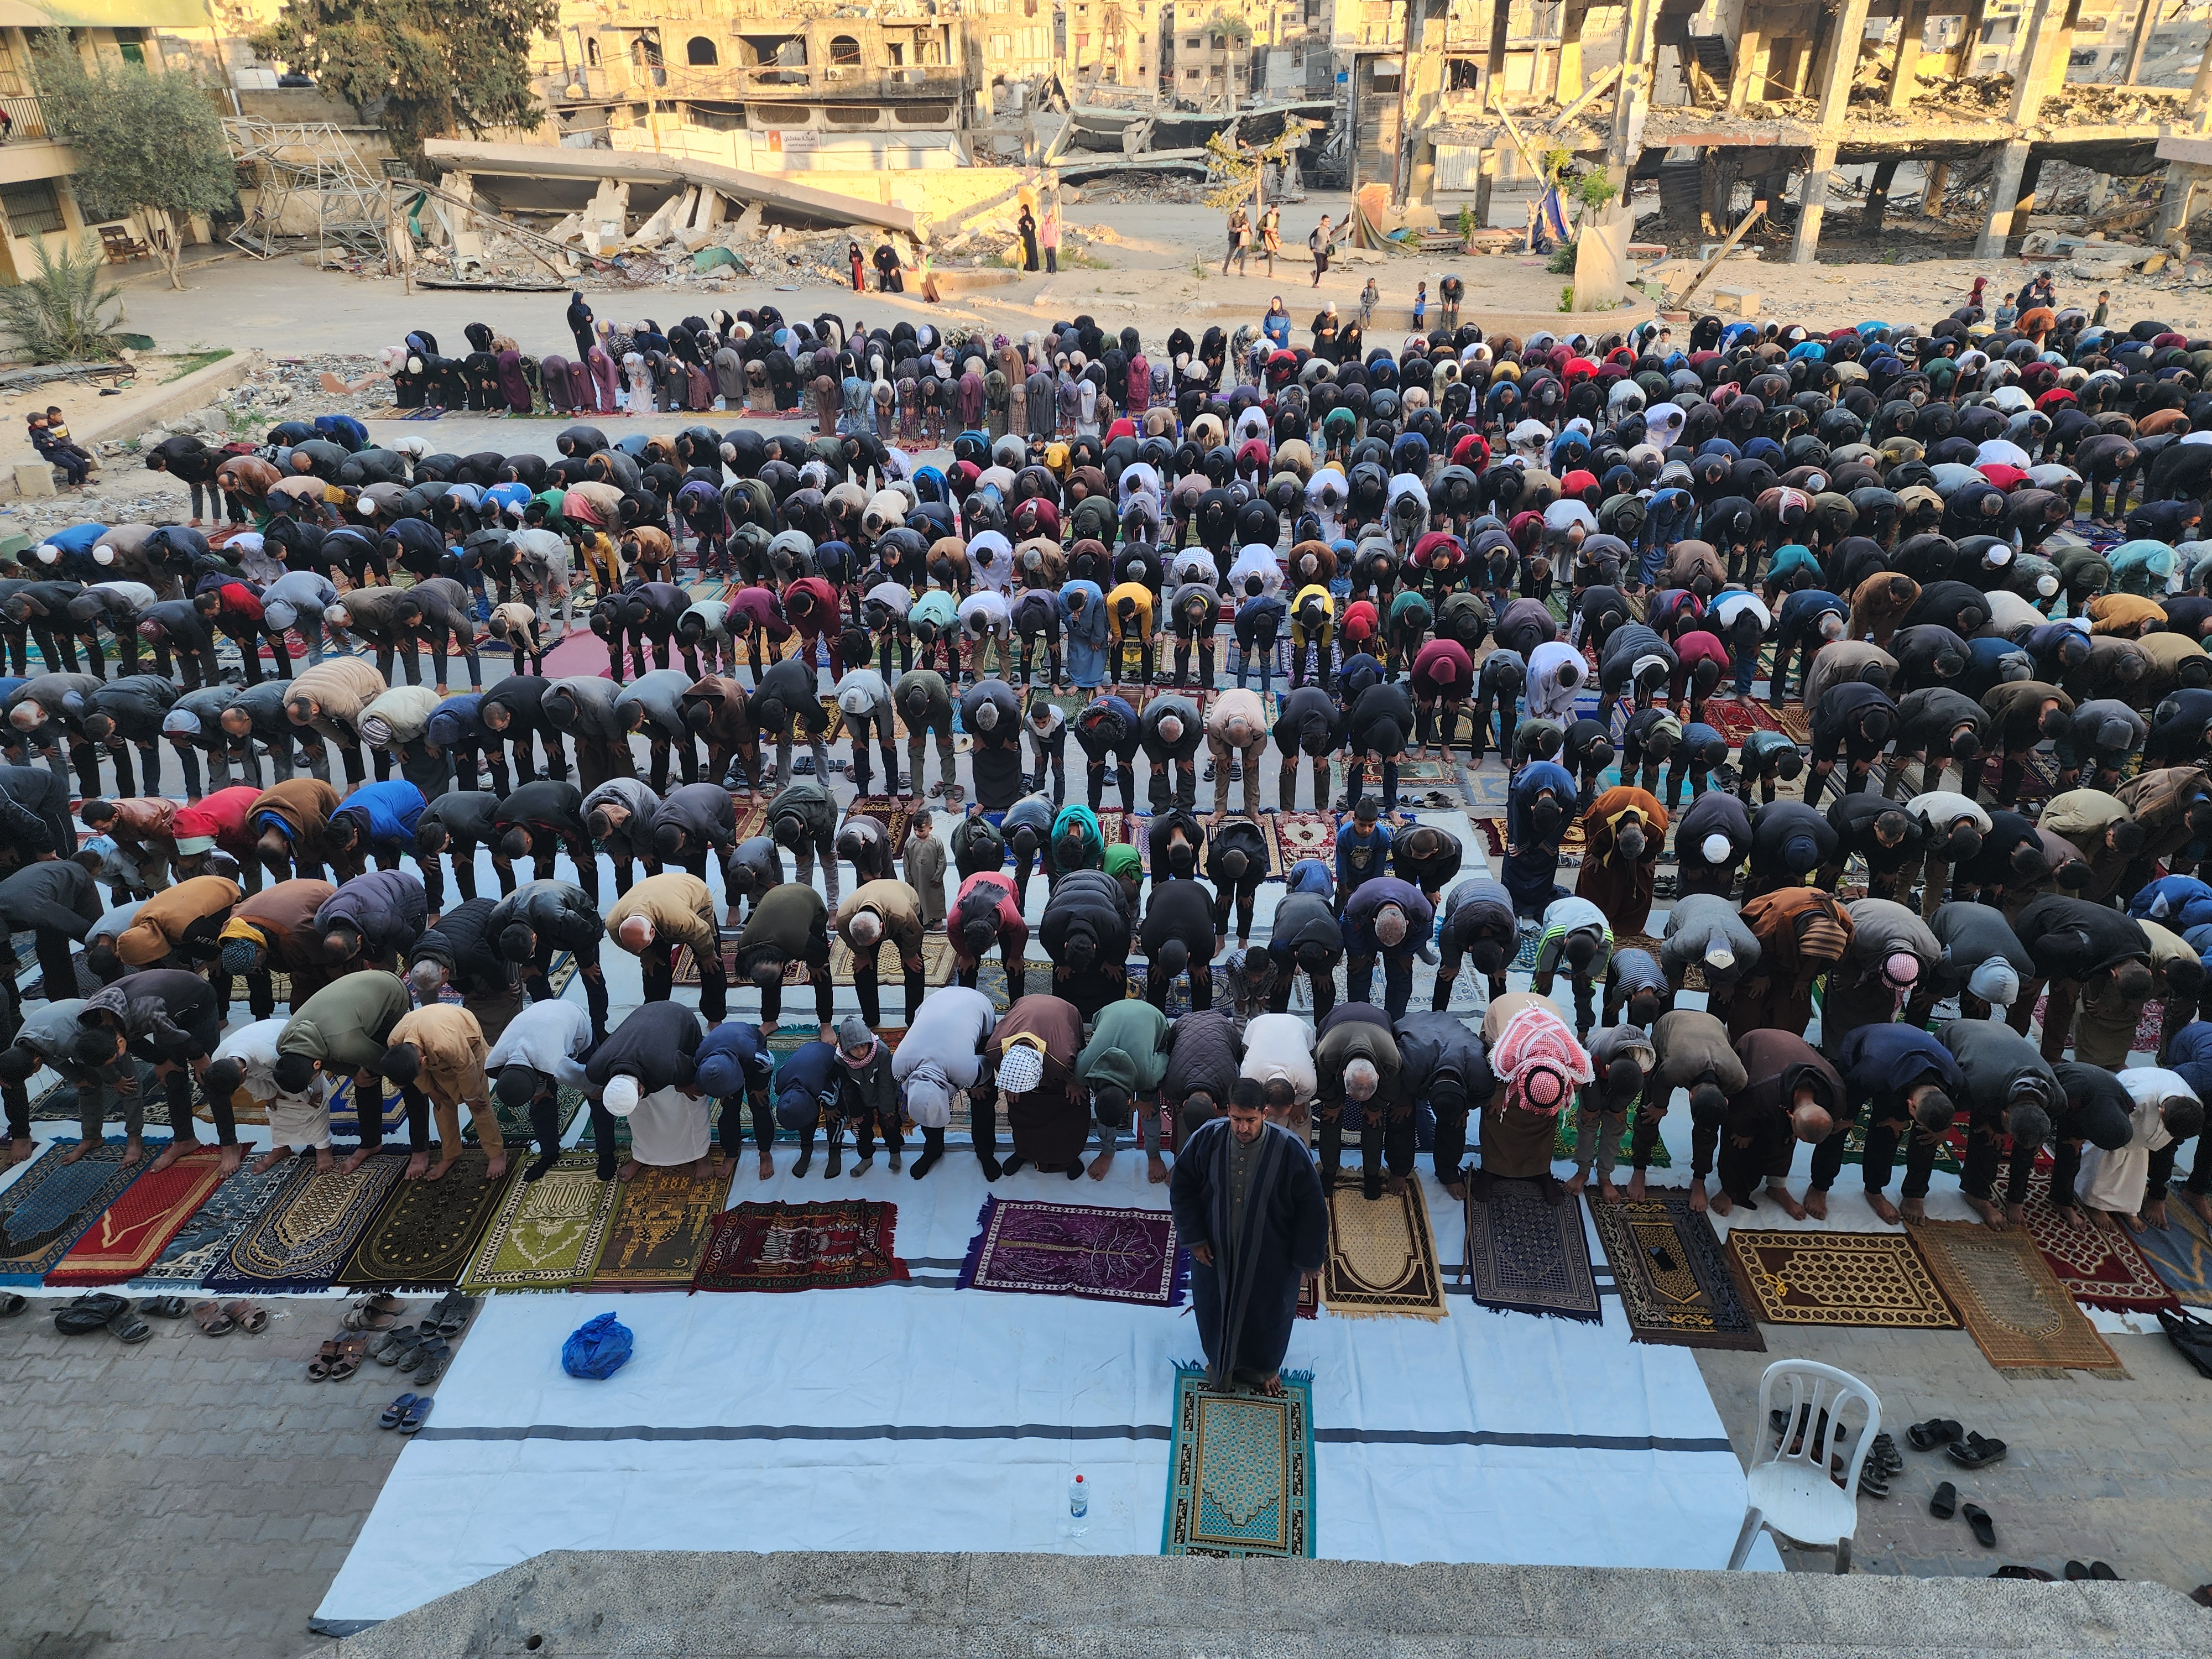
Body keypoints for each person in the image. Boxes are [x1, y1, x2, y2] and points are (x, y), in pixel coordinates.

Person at [1168, 1078, 1329, 1395]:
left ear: (1265, 1113)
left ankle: (1264, 1369)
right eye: (1236, 1119)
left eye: (1250, 1120)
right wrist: (1196, 1238)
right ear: (1227, 1111)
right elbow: (1183, 1187)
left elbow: (1311, 1208)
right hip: (1216, 1251)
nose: (1242, 1128)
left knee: (1269, 1313)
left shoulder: (1290, 1149)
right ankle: (1220, 1360)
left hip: (1272, 1255)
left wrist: (1308, 1260)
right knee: (1215, 1306)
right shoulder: (1207, 1139)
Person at [1473, 992, 1592, 1203]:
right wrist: (1500, 1094)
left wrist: (1554, 1102)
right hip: (1504, 1012)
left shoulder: (1576, 1062)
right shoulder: (1504, 1055)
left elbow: (1576, 1087)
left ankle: (1539, 1169)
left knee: (1546, 1116)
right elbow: (1495, 1073)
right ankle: (1490, 1168)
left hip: (1546, 1014)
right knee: (1496, 1109)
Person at [1714, 1030, 1843, 1218]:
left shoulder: (1837, 1096)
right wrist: (1744, 1131)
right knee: (1737, 1138)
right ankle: (1729, 1189)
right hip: (1755, 1044)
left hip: (1791, 1051)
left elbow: (1805, 1125)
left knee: (1786, 1137)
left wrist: (1791, 1131)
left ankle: (1777, 1187)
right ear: (1790, 1115)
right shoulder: (1759, 1090)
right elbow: (1736, 1110)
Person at [378, 1001, 503, 1182]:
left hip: (467, 1040)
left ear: (424, 1062)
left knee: (479, 1105)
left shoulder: (446, 1044)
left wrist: (470, 1097)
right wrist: (430, 1091)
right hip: (431, 1044)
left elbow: (465, 1066)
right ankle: (450, 1154)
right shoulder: (395, 1042)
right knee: (441, 1104)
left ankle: (497, 1154)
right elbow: (415, 1074)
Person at [890, 984, 996, 1181]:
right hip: (932, 1004)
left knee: (984, 1095)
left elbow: (988, 1063)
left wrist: (976, 1083)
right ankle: (933, 1149)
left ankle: (985, 1151)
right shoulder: (898, 1064)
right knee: (927, 1104)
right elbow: (922, 1096)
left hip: (976, 1006)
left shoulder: (965, 1070)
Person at [486, 998, 593, 1182]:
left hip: (574, 1020)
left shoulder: (554, 1063)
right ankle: (549, 1153)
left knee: (597, 1093)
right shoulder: (493, 1063)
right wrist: (539, 1091)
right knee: (540, 1102)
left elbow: (583, 1079)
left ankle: (606, 1151)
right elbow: (524, 1077)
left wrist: (593, 1089)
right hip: (537, 1018)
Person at [1076, 997, 1172, 1181]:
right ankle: (1107, 1152)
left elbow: (1164, 1058)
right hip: (1109, 1010)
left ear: (1130, 1102)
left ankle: (1153, 1155)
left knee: (1149, 1110)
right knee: (1109, 1111)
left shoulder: (1147, 1076)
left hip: (1153, 1016)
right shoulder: (1083, 1072)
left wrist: (1144, 1099)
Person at [1308, 215, 1332, 286]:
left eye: (1328, 221)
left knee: (1325, 268)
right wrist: (1312, 248)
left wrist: (1330, 246)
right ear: (1322, 221)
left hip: (1324, 251)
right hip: (1317, 251)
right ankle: (1315, 284)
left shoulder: (1328, 229)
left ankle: (1314, 273)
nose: (1327, 222)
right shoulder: (1318, 229)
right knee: (1320, 266)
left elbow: (1327, 239)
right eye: (1326, 221)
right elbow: (1310, 238)